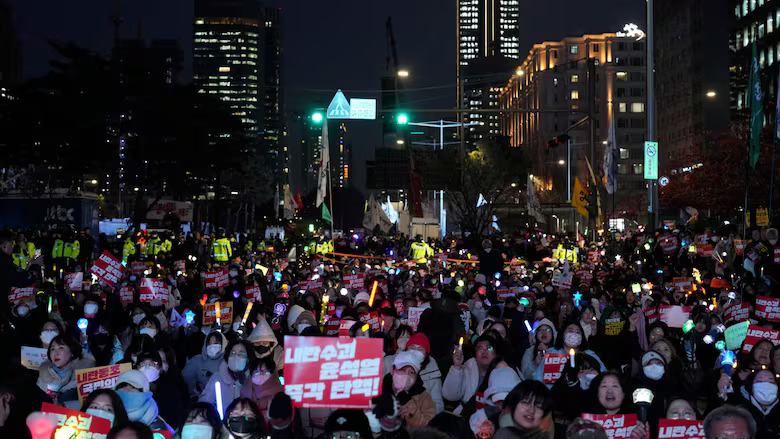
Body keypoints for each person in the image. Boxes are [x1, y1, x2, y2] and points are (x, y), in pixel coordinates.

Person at [199, 340, 255, 418]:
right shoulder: (217, 377)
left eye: (241, 354)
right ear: (227, 357)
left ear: (248, 359)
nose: (236, 357)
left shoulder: (254, 378)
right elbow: (204, 402)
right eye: (233, 353)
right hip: (222, 424)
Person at [36, 334, 95, 408]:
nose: (56, 353)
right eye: (52, 349)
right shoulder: (43, 376)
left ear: (72, 352)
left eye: (61, 348)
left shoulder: (84, 376)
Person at [443, 334, 498, 408]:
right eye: (480, 348)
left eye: (489, 348)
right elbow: (450, 396)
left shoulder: (504, 372)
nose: (484, 351)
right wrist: (457, 366)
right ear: (475, 354)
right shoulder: (467, 370)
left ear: (495, 353)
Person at [384, 350, 436, 427]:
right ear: (392, 371)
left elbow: (428, 429)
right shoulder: (378, 391)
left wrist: (411, 408)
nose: (406, 376)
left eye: (411, 373)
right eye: (402, 370)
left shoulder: (424, 397)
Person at [240, 356, 284, 431]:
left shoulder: (285, 400)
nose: (262, 375)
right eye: (257, 373)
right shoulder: (242, 404)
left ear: (274, 375)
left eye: (267, 372)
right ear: (251, 377)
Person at [183, 331, 228, 399]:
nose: (212, 346)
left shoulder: (228, 361)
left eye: (215, 343)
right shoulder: (196, 361)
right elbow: (187, 379)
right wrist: (195, 395)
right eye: (209, 344)